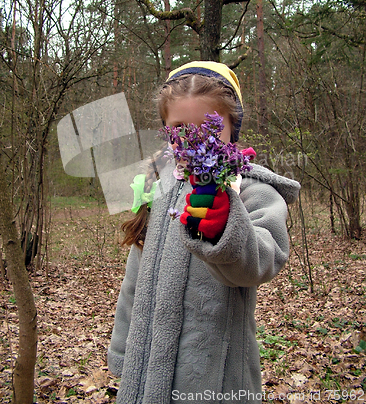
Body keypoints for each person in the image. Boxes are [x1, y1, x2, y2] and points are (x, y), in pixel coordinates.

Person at [108, 61, 300, 404]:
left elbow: (265, 260)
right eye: (180, 128)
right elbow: (134, 283)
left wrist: (226, 227)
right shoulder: (160, 187)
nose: (193, 140)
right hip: (146, 372)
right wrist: (124, 353)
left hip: (217, 376)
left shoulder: (250, 188)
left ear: (232, 130)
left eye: (209, 130)